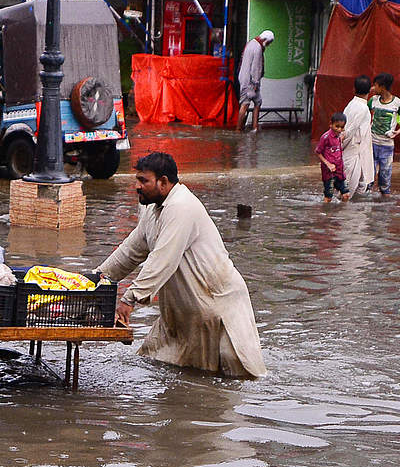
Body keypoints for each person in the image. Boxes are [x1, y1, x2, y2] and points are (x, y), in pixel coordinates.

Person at [95, 151, 267, 378]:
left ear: (163, 182)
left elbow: (162, 260)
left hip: (215, 305)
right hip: (183, 312)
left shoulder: (181, 207)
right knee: (158, 364)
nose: (137, 186)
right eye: (137, 179)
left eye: (143, 181)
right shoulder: (150, 208)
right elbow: (131, 250)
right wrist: (95, 280)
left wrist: (129, 300)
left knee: (232, 381)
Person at [369, 72, 400, 196]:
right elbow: (365, 116)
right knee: (369, 176)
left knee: (385, 177)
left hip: (387, 145)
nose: (373, 88)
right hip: (371, 143)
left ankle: (384, 203)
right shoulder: (373, 100)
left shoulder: (397, 103)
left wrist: (397, 132)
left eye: (375, 85)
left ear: (383, 87)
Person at [341, 76, 376, 195]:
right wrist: (341, 145)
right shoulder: (363, 108)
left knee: (360, 184)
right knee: (348, 189)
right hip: (354, 149)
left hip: (355, 150)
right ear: (370, 90)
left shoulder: (350, 105)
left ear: (354, 89)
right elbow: (350, 130)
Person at [237, 30, 274, 132]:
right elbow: (255, 68)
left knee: (258, 102)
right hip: (250, 81)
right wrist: (255, 83)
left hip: (245, 78)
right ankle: (238, 130)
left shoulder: (251, 43)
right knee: (245, 104)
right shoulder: (258, 48)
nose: (269, 45)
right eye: (269, 43)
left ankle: (254, 127)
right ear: (266, 40)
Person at [315, 112, 350, 202]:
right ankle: (326, 214)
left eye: (342, 127)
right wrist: (328, 164)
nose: (339, 129)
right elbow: (318, 152)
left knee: (346, 195)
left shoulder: (339, 137)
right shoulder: (325, 137)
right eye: (337, 126)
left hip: (339, 171)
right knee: (328, 197)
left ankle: (341, 213)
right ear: (331, 124)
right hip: (328, 173)